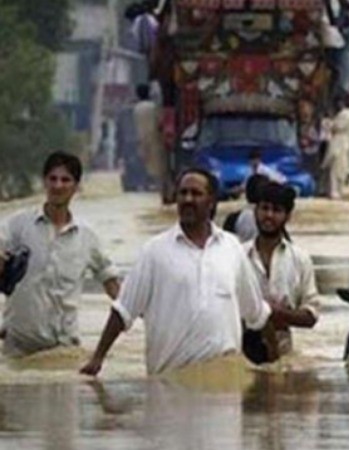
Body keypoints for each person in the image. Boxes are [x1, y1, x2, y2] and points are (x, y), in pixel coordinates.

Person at [80, 169, 271, 376]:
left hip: (224, 387)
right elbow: (123, 311)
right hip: (169, 384)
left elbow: (257, 314)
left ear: (211, 202)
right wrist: (97, 358)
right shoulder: (155, 251)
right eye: (183, 193)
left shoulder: (232, 248)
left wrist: (277, 367)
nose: (188, 199)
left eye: (196, 194)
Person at [0, 152, 121, 357]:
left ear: (76, 187)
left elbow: (111, 283)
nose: (58, 185)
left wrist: (140, 317)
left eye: (65, 180)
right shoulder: (17, 226)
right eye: (53, 179)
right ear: (44, 182)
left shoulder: (87, 236)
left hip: (64, 352)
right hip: (18, 350)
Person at [242, 182, 321, 362]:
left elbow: (311, 316)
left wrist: (275, 313)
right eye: (264, 208)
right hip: (240, 355)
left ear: (288, 216)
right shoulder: (238, 256)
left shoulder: (300, 259)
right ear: (255, 211)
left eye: (276, 210)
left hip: (283, 358)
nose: (269, 215)